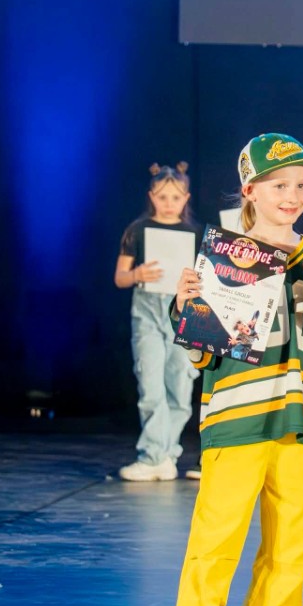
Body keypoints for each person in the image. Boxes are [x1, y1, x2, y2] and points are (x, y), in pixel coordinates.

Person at [118, 134, 303, 606]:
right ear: (250, 190)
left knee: (292, 545)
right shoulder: (218, 255)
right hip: (236, 413)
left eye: (301, 186)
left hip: (299, 415)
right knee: (214, 541)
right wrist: (186, 304)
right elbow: (201, 353)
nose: (292, 196)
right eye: (279, 185)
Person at [114, 162, 200, 482]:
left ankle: (166, 454)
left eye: (175, 197)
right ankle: (152, 455)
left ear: (186, 198)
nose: (168, 203)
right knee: (150, 383)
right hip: (148, 309)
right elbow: (120, 277)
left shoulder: (195, 233)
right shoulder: (138, 230)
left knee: (180, 383)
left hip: (183, 310)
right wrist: (137, 273)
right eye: (162, 197)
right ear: (152, 196)